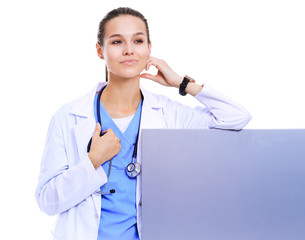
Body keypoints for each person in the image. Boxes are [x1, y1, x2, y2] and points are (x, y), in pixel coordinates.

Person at [35, 7, 251, 240]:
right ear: (100, 50)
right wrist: (93, 161)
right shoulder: (68, 116)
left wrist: (182, 83)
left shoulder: (168, 113)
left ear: (149, 48)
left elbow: (236, 118)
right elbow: (47, 200)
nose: (129, 50)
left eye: (138, 41)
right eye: (117, 42)